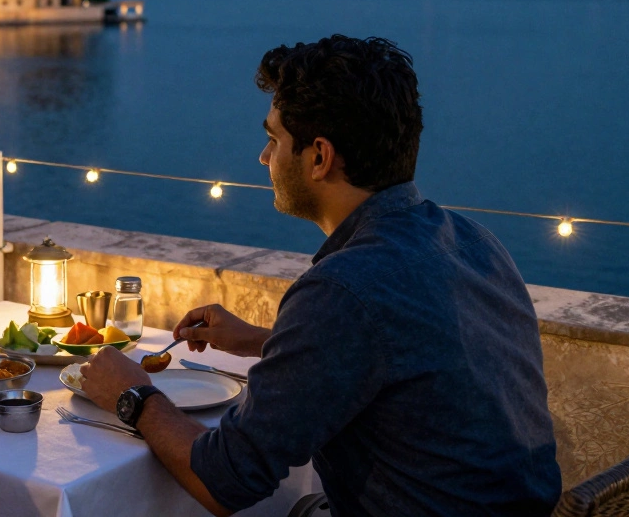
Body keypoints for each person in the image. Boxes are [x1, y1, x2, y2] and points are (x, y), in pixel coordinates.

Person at [81, 35, 561, 516]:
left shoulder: (343, 288)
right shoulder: (475, 241)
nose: (264, 158)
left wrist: (133, 395)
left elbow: (225, 479)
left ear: (319, 157)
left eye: (273, 140)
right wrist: (261, 341)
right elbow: (401, 359)